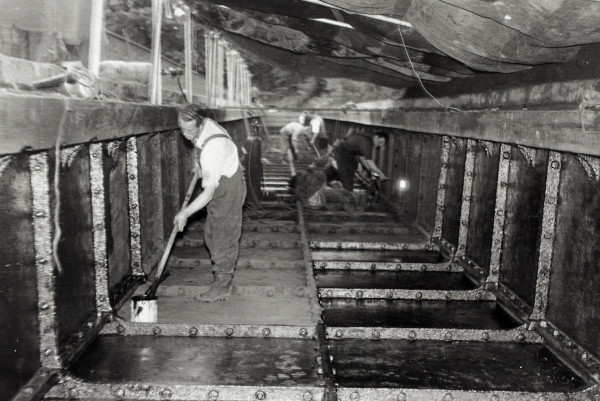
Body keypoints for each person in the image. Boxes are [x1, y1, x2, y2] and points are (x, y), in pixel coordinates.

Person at [174, 105, 246, 302]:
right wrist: (201, 166)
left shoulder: (212, 149)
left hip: (228, 188)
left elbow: (207, 194)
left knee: (223, 236)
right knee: (212, 234)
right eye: (182, 129)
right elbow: (202, 146)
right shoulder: (207, 124)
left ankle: (222, 286)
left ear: (201, 124)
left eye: (190, 130)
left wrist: (185, 213)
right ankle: (221, 278)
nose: (186, 134)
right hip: (224, 177)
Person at [324, 130, 390, 193]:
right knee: (347, 176)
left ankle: (325, 176)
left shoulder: (367, 140)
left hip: (347, 153)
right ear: (376, 137)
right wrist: (380, 172)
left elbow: (362, 158)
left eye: (382, 144)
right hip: (344, 152)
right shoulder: (368, 143)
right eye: (380, 142)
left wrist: (369, 170)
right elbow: (369, 161)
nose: (380, 145)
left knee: (354, 165)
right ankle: (348, 193)